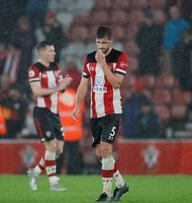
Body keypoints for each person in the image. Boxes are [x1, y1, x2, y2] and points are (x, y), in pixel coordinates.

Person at [72, 26, 129, 202]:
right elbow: (83, 84)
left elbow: (117, 83)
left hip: (112, 110)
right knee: (100, 153)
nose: (101, 46)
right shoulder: (89, 58)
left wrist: (103, 64)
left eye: (104, 42)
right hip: (96, 112)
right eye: (98, 42)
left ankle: (107, 193)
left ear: (110, 41)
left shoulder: (120, 57)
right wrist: (76, 106)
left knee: (106, 148)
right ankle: (121, 184)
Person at [27, 41, 72, 192]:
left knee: (58, 149)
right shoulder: (34, 69)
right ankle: (53, 183)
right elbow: (37, 91)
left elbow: (61, 89)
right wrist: (59, 87)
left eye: (54, 51)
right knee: (51, 145)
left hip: (54, 113)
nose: (53, 53)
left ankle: (36, 172)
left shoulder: (56, 67)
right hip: (42, 112)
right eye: (50, 51)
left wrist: (65, 84)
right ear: (42, 53)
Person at [56, 88, 84, 174]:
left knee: (59, 155)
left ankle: (57, 173)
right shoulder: (75, 96)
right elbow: (81, 110)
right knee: (73, 156)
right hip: (74, 133)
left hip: (61, 133)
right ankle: (73, 173)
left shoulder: (56, 97)